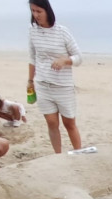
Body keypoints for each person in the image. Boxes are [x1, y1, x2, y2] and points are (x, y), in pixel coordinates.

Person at [27, 0, 82, 154]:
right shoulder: (32, 30)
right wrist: (30, 80)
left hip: (63, 86)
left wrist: (65, 60)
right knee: (51, 122)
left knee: (69, 122)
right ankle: (58, 155)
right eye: (33, 11)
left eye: (39, 11)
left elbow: (79, 57)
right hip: (43, 84)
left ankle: (78, 152)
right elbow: (32, 57)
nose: (36, 15)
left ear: (47, 11)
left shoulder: (62, 32)